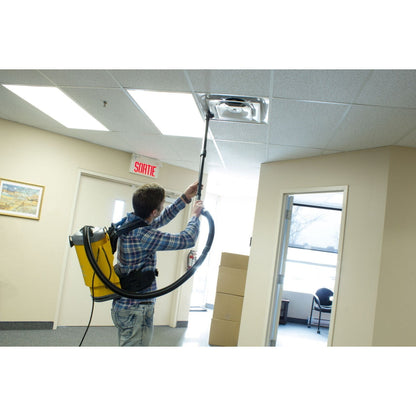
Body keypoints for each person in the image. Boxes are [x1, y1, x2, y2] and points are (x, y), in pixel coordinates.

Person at [111, 181, 203, 346]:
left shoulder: (129, 223)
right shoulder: (144, 235)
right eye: (161, 206)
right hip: (137, 309)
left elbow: (161, 218)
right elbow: (187, 239)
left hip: (123, 305)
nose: (162, 209)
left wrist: (185, 197)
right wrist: (195, 217)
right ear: (153, 211)